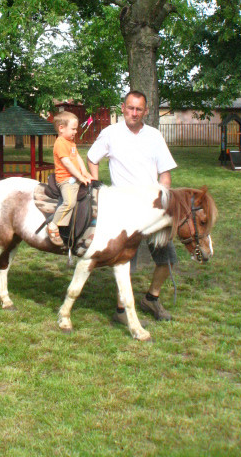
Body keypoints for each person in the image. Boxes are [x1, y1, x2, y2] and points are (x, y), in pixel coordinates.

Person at [87, 90, 178, 323]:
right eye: (130, 108)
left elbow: (165, 172)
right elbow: (92, 158)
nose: (134, 113)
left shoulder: (155, 136)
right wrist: (97, 186)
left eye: (139, 109)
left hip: (152, 208)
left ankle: (152, 298)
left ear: (146, 111)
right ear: (123, 108)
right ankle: (121, 312)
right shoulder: (110, 133)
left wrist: (163, 197)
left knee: (167, 258)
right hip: (124, 209)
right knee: (125, 261)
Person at [47, 111, 92, 246]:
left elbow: (77, 157)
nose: (76, 132)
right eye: (73, 129)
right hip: (66, 180)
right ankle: (53, 225)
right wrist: (79, 176)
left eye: (76, 128)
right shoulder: (60, 143)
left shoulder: (71, 142)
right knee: (69, 202)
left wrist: (85, 172)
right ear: (61, 128)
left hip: (75, 177)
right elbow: (67, 163)